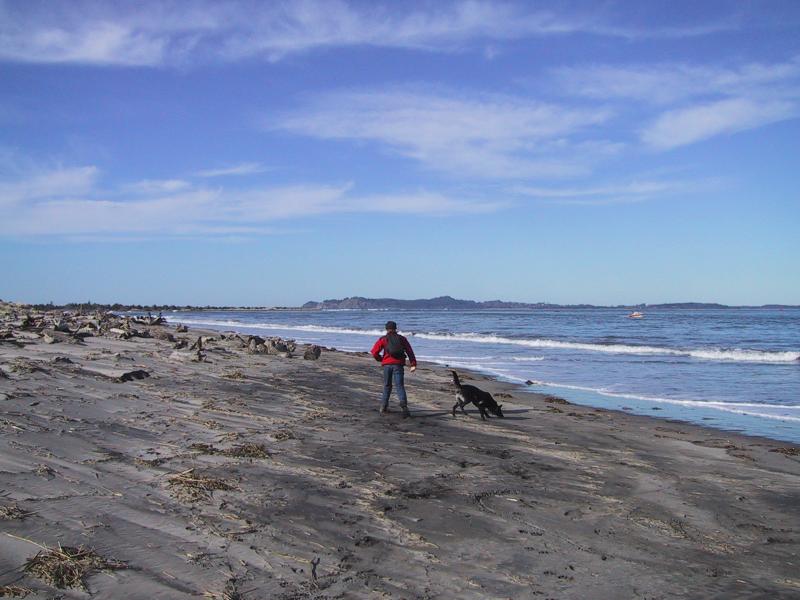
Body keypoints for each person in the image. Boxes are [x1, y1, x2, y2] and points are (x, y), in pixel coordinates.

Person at [370, 321, 417, 417]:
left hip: (387, 365)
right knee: (400, 386)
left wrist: (381, 359)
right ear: (396, 328)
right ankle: (404, 406)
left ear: (386, 329)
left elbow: (374, 352)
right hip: (398, 365)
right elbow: (410, 352)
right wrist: (413, 364)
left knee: (387, 385)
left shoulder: (383, 339)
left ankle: (383, 407)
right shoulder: (402, 339)